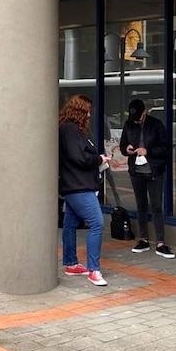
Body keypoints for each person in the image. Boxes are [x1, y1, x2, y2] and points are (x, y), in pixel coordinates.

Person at [59, 94, 113, 286]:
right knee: (97, 223)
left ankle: (71, 263)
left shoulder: (67, 129)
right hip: (80, 186)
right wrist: (99, 160)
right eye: (87, 111)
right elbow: (79, 157)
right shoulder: (71, 130)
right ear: (80, 111)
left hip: (72, 185)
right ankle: (94, 270)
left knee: (70, 225)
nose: (89, 115)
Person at [119, 99, 174, 258]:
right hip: (136, 171)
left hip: (154, 171)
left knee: (156, 206)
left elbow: (165, 148)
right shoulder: (129, 124)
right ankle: (143, 239)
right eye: (135, 119)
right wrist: (127, 150)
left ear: (145, 112)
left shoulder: (156, 125)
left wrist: (147, 151)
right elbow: (123, 146)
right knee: (141, 205)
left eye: (140, 117)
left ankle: (161, 242)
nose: (138, 121)